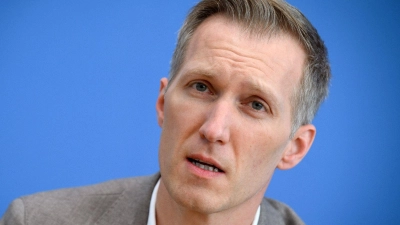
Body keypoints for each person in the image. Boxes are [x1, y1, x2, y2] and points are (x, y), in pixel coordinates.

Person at [0, 0, 330, 224]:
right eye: (201, 87)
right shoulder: (35, 219)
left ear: (294, 147)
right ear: (162, 103)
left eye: (256, 105)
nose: (214, 129)